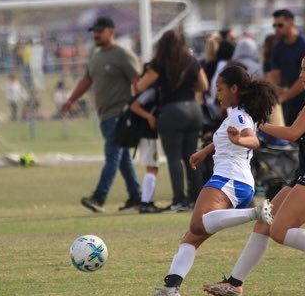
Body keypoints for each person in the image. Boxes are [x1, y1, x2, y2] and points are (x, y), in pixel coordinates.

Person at [202, 46, 305, 296]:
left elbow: (292, 134)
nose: (301, 75)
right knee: (264, 223)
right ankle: (234, 283)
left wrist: (261, 125)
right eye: (301, 69)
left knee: (278, 231)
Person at [146, 62, 278, 296]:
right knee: (191, 237)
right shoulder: (235, 114)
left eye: (220, 88)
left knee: (197, 224)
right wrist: (205, 151)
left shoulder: (239, 116)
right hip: (239, 184)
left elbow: (253, 141)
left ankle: (256, 213)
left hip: (229, 179)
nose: (216, 93)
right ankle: (170, 289)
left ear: (234, 89)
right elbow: (225, 139)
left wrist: (240, 141)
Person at [61, 16, 142, 213]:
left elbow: (139, 81)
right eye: (94, 31)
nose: (96, 34)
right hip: (105, 116)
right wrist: (71, 100)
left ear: (111, 31)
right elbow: (87, 80)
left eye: (100, 30)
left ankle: (99, 197)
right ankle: (137, 197)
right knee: (122, 159)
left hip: (120, 114)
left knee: (112, 157)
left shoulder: (122, 54)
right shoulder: (96, 55)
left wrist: (140, 109)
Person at [135, 29, 209, 211]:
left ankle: (179, 200)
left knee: (174, 158)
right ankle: (196, 198)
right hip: (193, 109)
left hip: (172, 111)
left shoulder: (160, 63)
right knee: (192, 156)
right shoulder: (191, 60)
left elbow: (140, 87)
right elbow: (204, 85)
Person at [270, 9, 305, 126]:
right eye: (274, 25)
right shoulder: (278, 48)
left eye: (280, 25)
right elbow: (275, 75)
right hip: (291, 101)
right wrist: (274, 92)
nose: (277, 29)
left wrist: (284, 96)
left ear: (291, 24)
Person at [129, 80, 162, 214]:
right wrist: (149, 117)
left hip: (151, 134)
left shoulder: (155, 89)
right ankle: (145, 202)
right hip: (148, 134)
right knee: (151, 167)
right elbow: (134, 106)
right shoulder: (152, 90)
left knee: (154, 167)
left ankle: (148, 200)